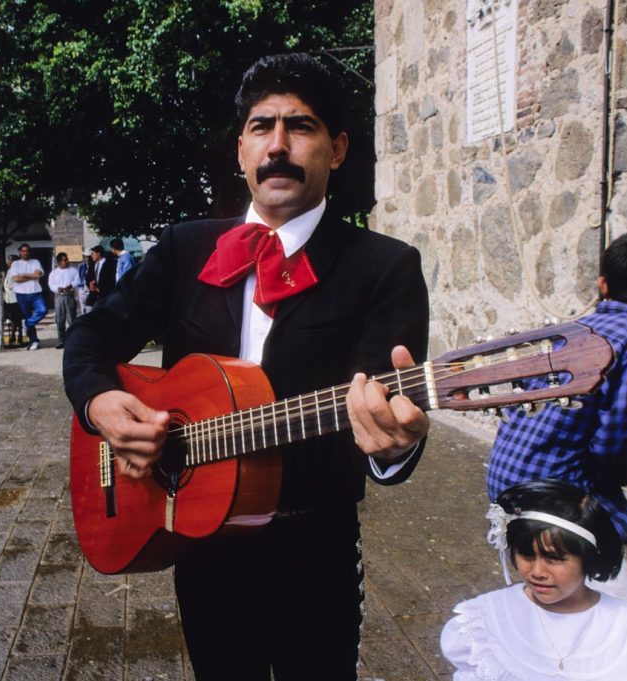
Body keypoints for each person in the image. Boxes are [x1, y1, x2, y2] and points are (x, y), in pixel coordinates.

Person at [63, 53, 430, 678]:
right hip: (200, 542)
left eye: (301, 127)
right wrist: (99, 403)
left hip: (315, 548)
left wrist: (392, 448)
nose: (278, 145)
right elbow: (92, 336)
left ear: (337, 149)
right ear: (241, 149)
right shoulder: (185, 248)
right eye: (262, 127)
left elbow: (385, 411)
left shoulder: (385, 266)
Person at [487, 230, 627, 604]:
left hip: (504, 479)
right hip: (551, 496)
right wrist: (619, 480)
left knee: (551, 592)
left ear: (602, 284)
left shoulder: (571, 330)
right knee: (614, 612)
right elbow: (620, 442)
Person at [442, 479, 627, 679]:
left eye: (555, 559)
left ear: (591, 557)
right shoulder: (485, 620)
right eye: (526, 555)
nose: (537, 571)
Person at [8, 243, 46, 350]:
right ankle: (34, 341)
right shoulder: (15, 264)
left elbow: (38, 275)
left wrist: (23, 275)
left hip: (35, 292)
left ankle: (28, 323)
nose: (25, 253)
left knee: (43, 310)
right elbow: (16, 279)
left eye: (27, 251)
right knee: (28, 315)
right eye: (23, 251)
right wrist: (31, 276)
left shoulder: (35, 262)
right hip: (21, 294)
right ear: (20, 252)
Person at [47, 252, 81, 349]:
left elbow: (78, 280)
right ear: (59, 262)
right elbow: (51, 284)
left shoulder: (73, 270)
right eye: (64, 260)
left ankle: (73, 339)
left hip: (69, 295)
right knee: (60, 319)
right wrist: (58, 288)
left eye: (67, 259)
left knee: (71, 318)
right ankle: (61, 340)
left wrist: (70, 285)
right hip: (59, 296)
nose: (66, 261)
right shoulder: (54, 273)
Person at [2, 253, 24, 345]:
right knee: (13, 318)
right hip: (9, 298)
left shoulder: (17, 271)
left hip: (15, 297)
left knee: (17, 318)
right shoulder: (9, 270)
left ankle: (16, 336)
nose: (8, 262)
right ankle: (14, 336)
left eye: (9, 260)